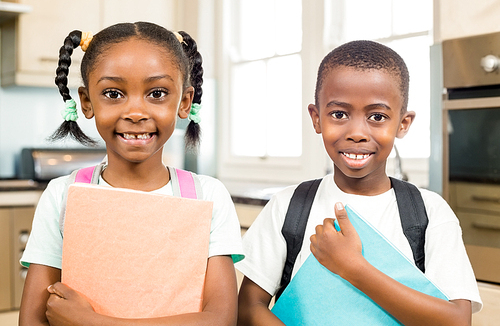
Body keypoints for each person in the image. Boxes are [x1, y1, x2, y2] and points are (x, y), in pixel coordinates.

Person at [236, 40, 482, 325]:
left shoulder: (430, 213)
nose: (357, 133)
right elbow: (248, 309)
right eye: (339, 114)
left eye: (377, 117)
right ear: (316, 118)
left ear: (403, 124)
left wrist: (353, 267)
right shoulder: (288, 207)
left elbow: (456, 321)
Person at [19, 22, 244, 326]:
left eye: (157, 93)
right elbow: (32, 320)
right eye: (113, 93)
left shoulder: (209, 197)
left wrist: (91, 322)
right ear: (86, 102)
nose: (136, 111)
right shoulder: (62, 197)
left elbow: (220, 319)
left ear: (185, 102)